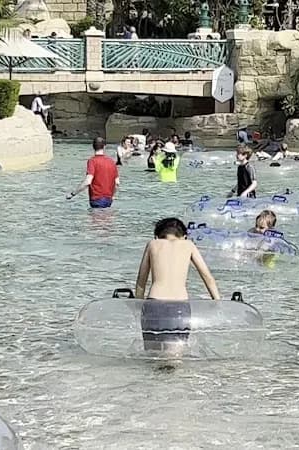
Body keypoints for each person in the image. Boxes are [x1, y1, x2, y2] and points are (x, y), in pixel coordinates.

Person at [135, 218, 221, 351]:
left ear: (157, 236)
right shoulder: (189, 245)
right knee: (175, 358)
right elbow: (207, 277)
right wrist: (218, 302)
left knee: (152, 355)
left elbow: (141, 281)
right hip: (179, 306)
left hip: (154, 304)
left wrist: (137, 306)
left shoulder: (153, 244)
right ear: (184, 236)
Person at [66, 137, 120, 208]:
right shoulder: (111, 162)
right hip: (108, 200)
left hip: (96, 199)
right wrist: (112, 196)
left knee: (96, 218)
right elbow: (117, 183)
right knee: (107, 218)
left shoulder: (92, 161)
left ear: (93, 147)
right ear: (104, 147)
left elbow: (88, 181)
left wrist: (73, 194)